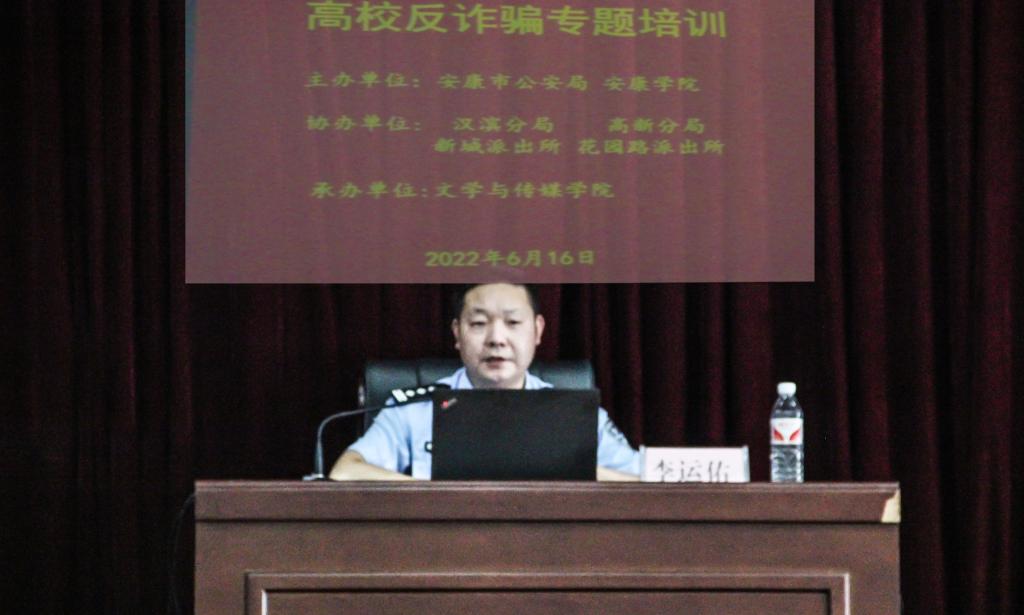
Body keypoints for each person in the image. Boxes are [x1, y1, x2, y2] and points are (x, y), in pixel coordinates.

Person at [330, 282, 640, 481]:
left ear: (537, 331)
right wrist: (430, 493)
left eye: (513, 322)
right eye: (479, 323)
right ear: (457, 333)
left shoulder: (574, 415)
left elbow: (645, 481)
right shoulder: (415, 409)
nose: (496, 339)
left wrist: (574, 472)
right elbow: (346, 471)